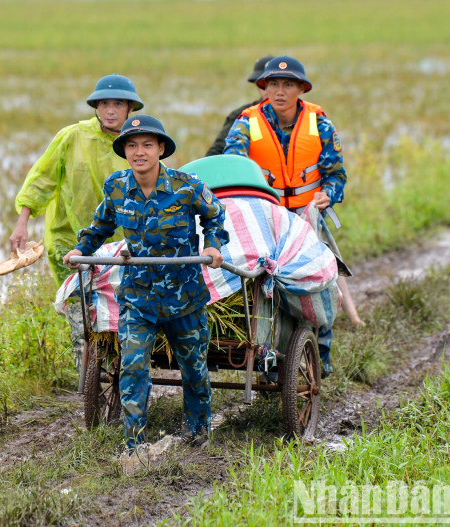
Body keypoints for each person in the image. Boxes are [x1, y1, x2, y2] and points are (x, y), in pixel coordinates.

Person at [63, 115, 229, 450]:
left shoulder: (187, 186)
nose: (140, 152)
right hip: (138, 297)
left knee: (194, 370)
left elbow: (214, 215)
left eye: (147, 145)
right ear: (124, 150)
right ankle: (134, 445)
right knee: (134, 368)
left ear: (161, 149)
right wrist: (81, 249)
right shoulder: (116, 186)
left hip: (184, 296)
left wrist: (212, 244)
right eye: (132, 145)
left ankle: (198, 434)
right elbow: (100, 227)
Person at [223, 55, 355, 377]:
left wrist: (328, 195)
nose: (280, 91)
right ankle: (271, 360)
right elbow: (233, 163)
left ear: (301, 89)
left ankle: (320, 358)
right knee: (267, 286)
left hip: (307, 218)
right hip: (266, 219)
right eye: (273, 85)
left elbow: (336, 174)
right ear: (264, 88)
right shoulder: (246, 123)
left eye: (288, 84)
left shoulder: (320, 123)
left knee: (317, 281)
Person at [10, 73, 144, 287]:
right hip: (67, 239)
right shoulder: (73, 136)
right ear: (96, 107)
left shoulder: (138, 143)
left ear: (130, 108)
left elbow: (155, 187)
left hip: (116, 244)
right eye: (104, 103)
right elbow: (42, 180)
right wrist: (22, 223)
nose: (110, 111)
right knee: (77, 305)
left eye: (118, 104)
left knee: (113, 307)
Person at [205, 55, 273, 157]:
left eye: (274, 83)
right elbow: (217, 151)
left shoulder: (302, 115)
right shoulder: (241, 115)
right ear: (256, 84)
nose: (270, 90)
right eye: (264, 84)